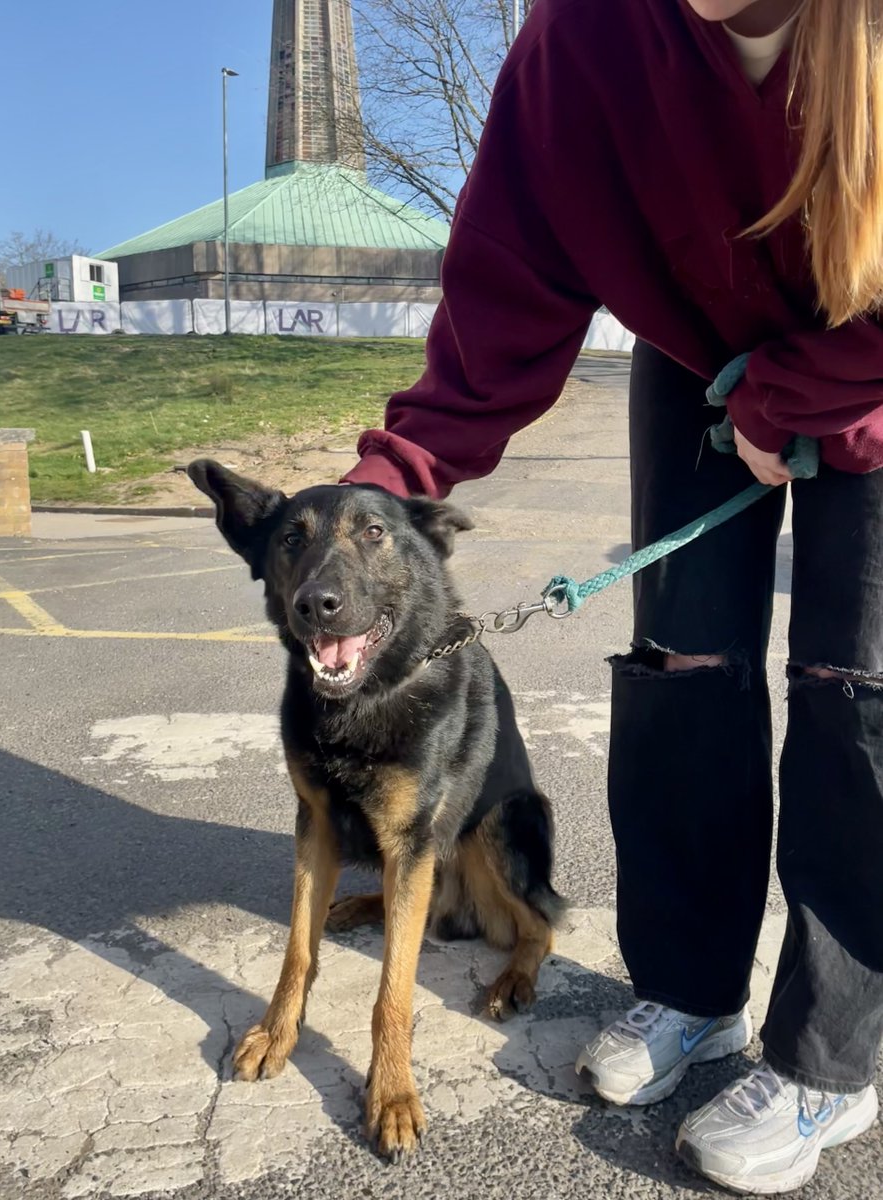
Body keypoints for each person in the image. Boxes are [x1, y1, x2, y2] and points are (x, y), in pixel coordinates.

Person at [342, 0, 883, 1192]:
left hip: (876, 360)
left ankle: (831, 1058)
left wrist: (791, 396)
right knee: (683, 676)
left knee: (859, 698)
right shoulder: (577, 38)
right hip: (698, 354)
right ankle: (693, 991)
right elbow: (502, 294)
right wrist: (381, 497)